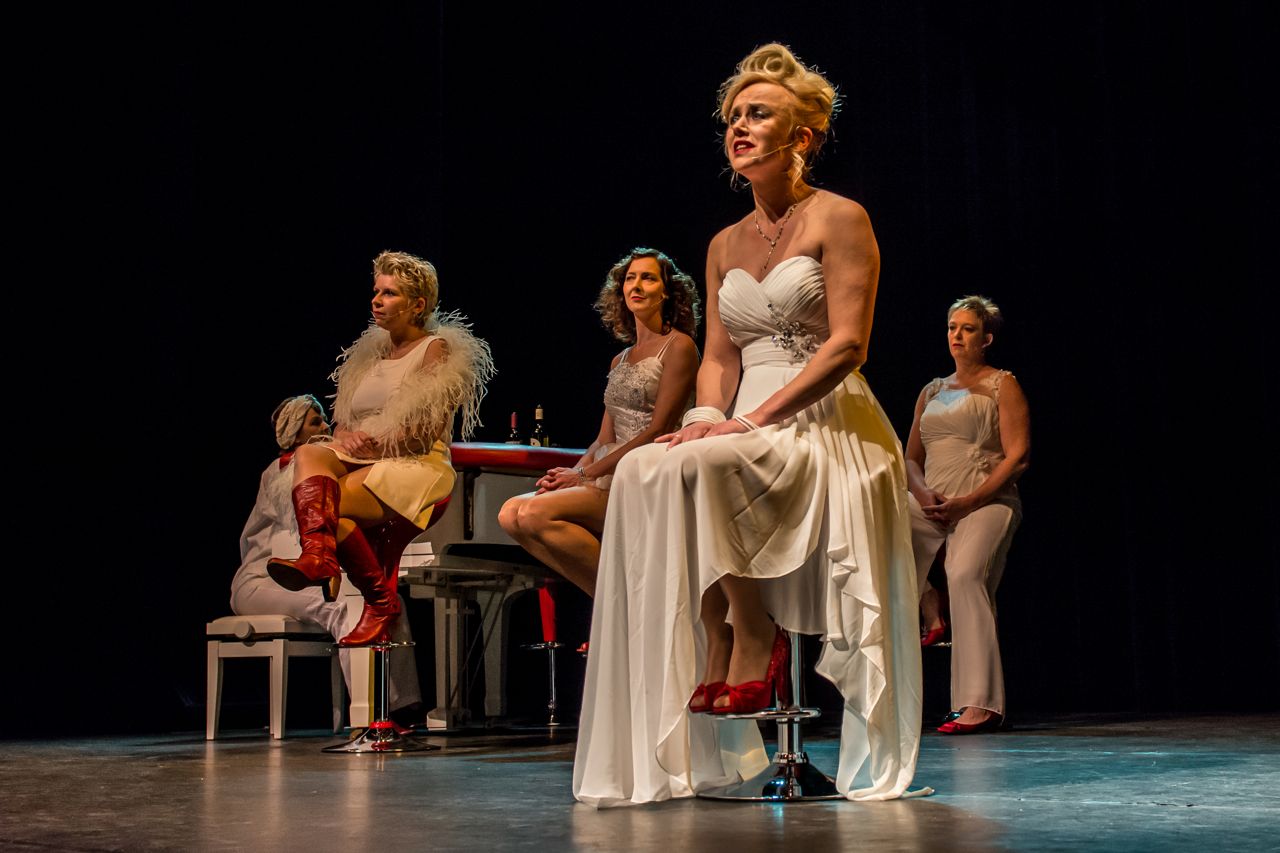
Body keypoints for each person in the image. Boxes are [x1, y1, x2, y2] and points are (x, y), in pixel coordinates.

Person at [573, 44, 924, 806]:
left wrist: (753, 419)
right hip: (743, 418)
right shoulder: (723, 243)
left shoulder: (841, 216)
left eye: (758, 114)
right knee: (646, 467)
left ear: (802, 135)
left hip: (826, 418)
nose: (739, 126)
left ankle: (750, 630)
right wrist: (707, 417)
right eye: (733, 115)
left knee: (698, 466)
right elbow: (720, 357)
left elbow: (848, 345)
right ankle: (712, 646)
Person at [267, 251, 495, 648]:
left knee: (330, 506)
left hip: (414, 464)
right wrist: (346, 438)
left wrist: (371, 445)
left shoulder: (435, 349)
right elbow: (345, 422)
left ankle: (373, 596)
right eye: (376, 291)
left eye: (389, 293)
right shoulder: (368, 355)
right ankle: (324, 559)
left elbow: (424, 434)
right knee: (308, 455)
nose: (376, 300)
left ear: (417, 305)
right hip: (365, 458)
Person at [498, 248, 700, 597]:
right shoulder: (619, 360)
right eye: (630, 278)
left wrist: (583, 475)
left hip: (645, 473)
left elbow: (659, 428)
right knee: (509, 514)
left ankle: (628, 599)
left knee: (531, 514)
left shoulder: (679, 347)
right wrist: (572, 473)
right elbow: (603, 437)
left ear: (666, 291)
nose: (636, 285)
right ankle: (617, 603)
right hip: (606, 471)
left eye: (648, 278)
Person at [231, 395, 421, 715]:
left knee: (389, 601)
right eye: (314, 422)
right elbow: (298, 531)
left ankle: (403, 706)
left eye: (323, 419)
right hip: (262, 580)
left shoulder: (324, 466)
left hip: (295, 580)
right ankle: (367, 712)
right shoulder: (281, 471)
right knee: (343, 605)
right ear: (294, 434)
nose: (324, 426)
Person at [905, 295, 1029, 734]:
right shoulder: (932, 391)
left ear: (986, 338)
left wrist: (968, 501)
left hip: (986, 500)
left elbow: (1017, 456)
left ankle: (979, 704)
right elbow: (911, 458)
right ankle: (928, 610)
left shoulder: (1002, 384)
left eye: (968, 329)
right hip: (933, 502)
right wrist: (923, 494)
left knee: (965, 576)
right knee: (880, 539)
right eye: (952, 327)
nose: (956, 335)